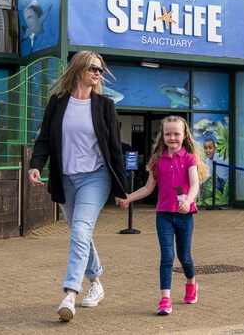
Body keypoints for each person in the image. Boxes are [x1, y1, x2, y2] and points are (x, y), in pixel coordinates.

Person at [28, 51, 128, 322]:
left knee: (81, 230)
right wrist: (35, 164)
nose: (98, 73)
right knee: (79, 233)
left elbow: (115, 150)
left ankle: (70, 293)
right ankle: (96, 281)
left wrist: (122, 190)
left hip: (95, 178)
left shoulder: (105, 106)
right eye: (93, 68)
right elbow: (44, 139)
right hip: (65, 179)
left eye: (100, 69)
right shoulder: (58, 102)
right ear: (79, 69)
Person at [118, 116, 209, 315]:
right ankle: (165, 299)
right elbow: (148, 187)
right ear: (163, 136)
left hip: (185, 215)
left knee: (185, 257)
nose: (172, 137)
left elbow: (194, 185)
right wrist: (128, 198)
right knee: (167, 257)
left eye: (176, 134)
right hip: (163, 216)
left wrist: (187, 201)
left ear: (184, 136)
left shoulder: (189, 159)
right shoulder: (157, 160)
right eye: (168, 134)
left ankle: (191, 283)